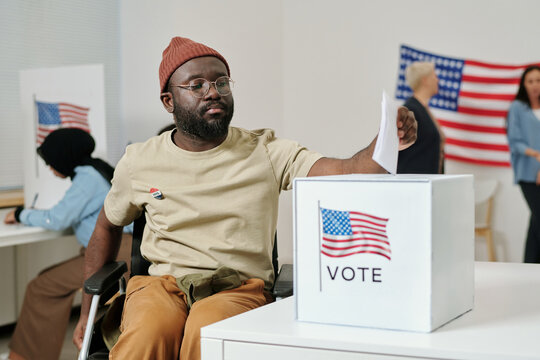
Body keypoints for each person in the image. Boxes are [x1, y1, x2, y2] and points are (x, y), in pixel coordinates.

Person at [72, 36, 417, 360]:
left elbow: (350, 170)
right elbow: (106, 226)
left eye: (221, 83)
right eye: (197, 86)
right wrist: (89, 311)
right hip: (162, 286)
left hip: (236, 288)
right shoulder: (139, 160)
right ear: (169, 101)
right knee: (150, 331)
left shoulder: (265, 151)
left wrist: (387, 140)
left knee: (206, 331)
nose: (213, 92)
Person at [2, 128, 132, 360]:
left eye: (51, 162)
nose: (50, 168)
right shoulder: (97, 170)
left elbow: (58, 218)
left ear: (63, 157)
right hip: (118, 249)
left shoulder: (87, 178)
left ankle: (25, 357)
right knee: (46, 281)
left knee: (42, 287)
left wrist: (21, 214)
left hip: (117, 252)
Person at [507, 65, 540, 263]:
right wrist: (536, 155)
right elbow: (515, 141)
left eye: (538, 80)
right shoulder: (517, 107)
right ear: (524, 85)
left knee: (536, 220)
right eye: (530, 81)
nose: (535, 85)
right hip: (527, 172)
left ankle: (529, 265)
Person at [397, 61, 445, 174]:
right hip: (414, 184)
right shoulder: (410, 110)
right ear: (425, 80)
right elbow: (399, 151)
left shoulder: (423, 109)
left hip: (427, 182)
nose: (437, 80)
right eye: (434, 76)